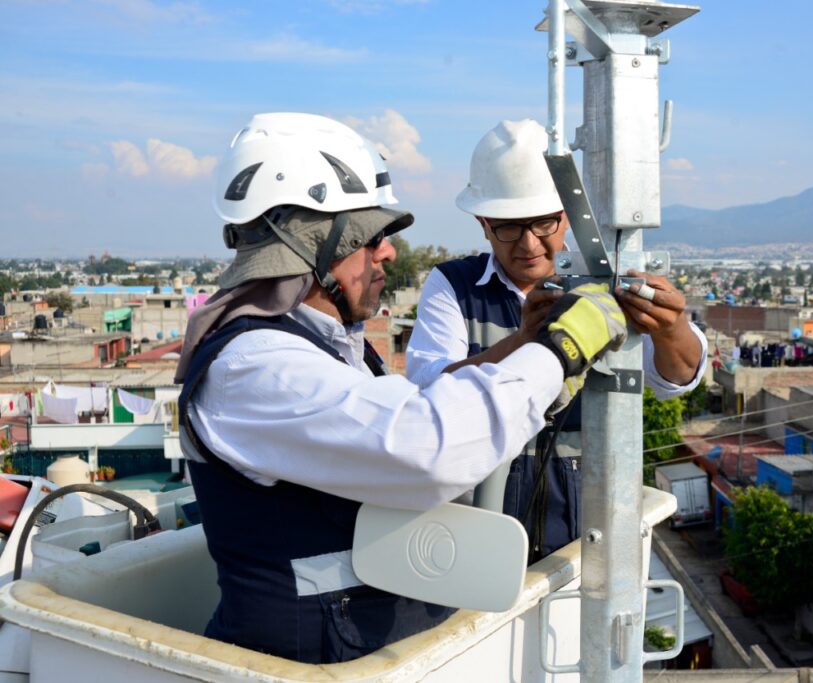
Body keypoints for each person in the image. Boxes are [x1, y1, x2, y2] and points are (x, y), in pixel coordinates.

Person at [174, 113, 627, 664]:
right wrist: (560, 350)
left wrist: (533, 348)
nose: (388, 252)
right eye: (369, 238)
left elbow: (420, 411)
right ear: (310, 247)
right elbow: (428, 445)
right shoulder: (255, 367)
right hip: (305, 666)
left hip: (360, 651)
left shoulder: (325, 346)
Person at [407, 119, 708, 560]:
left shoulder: (603, 283)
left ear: (566, 215)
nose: (529, 244)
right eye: (509, 227)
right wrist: (523, 341)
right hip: (479, 533)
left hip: (585, 537)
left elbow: (678, 378)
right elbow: (428, 390)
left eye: (543, 224)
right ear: (483, 223)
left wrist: (670, 328)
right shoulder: (454, 285)